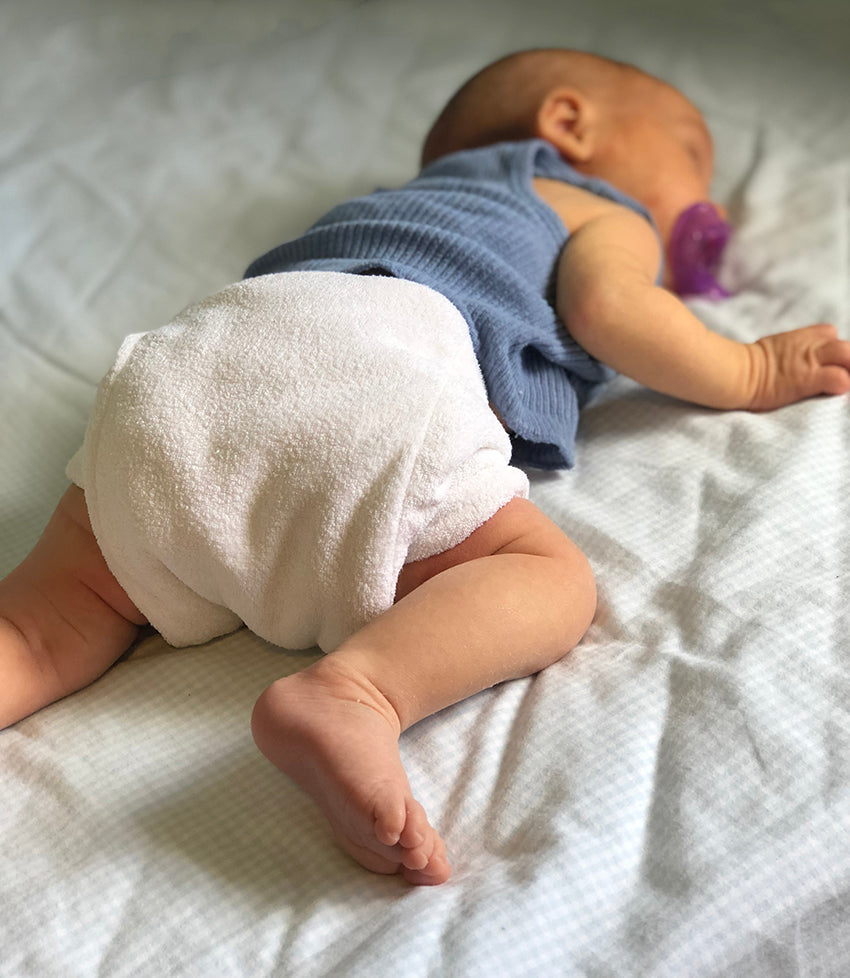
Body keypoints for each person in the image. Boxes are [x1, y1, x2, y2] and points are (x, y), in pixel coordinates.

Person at [1, 49, 849, 887]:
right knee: (545, 578)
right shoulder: (591, 201)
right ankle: (358, 693)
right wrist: (751, 370)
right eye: (691, 158)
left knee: (43, 628)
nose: (706, 205)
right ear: (568, 123)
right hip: (366, 358)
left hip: (184, 370)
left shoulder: (381, 210)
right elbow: (610, 307)